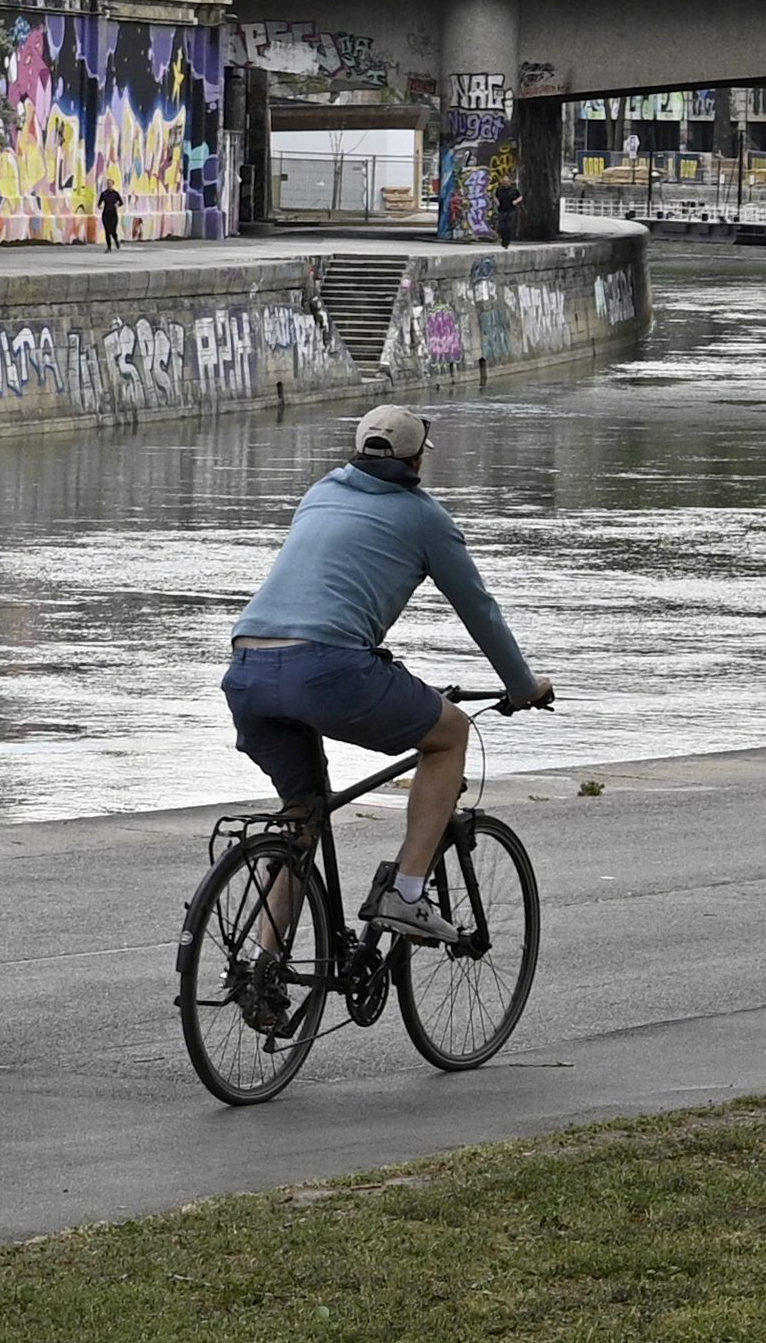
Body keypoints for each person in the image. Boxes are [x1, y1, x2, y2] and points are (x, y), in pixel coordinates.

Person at [223, 404, 553, 945]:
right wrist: (522, 687)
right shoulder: (425, 517)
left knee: (302, 818)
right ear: (418, 458)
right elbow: (480, 611)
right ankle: (406, 893)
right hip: (328, 669)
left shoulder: (320, 492)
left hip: (247, 670)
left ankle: (262, 967)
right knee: (449, 735)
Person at [495, 173, 522, 249]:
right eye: (504, 181)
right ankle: (503, 240)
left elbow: (520, 197)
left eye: (506, 181)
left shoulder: (513, 189)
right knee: (502, 227)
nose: (505, 182)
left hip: (511, 210)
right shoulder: (499, 189)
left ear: (509, 182)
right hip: (502, 210)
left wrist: (516, 201)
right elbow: (495, 196)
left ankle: (507, 242)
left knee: (509, 227)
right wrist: (497, 202)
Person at [99, 182, 123, 252]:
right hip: (106, 214)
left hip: (113, 215)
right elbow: (99, 203)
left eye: (110, 184)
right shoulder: (104, 194)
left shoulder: (115, 194)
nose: (109, 185)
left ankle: (116, 240)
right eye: (108, 184)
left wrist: (117, 204)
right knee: (107, 231)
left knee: (113, 231)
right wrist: (99, 206)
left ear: (113, 185)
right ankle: (109, 247)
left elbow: (121, 202)